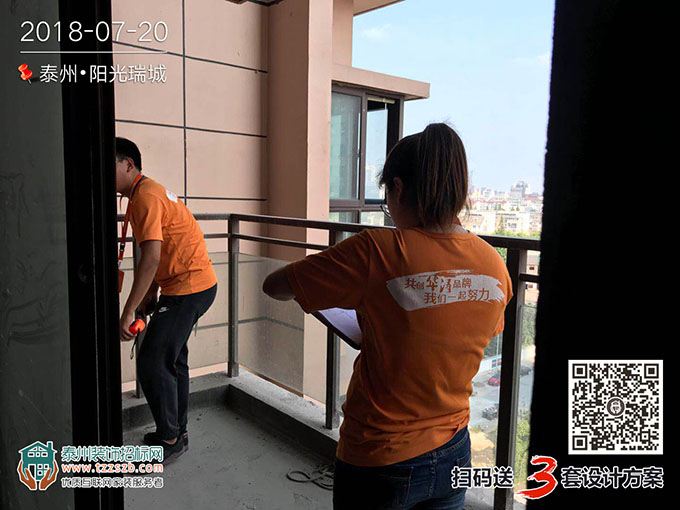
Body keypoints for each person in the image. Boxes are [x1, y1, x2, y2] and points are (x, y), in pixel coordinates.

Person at [262, 123, 512, 509]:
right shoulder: (494, 265)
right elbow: (453, 333)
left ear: (398, 188)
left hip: (380, 455)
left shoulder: (376, 250)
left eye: (386, 200)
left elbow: (276, 286)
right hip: (454, 448)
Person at [115, 137, 217, 465]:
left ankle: (170, 439)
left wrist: (128, 310)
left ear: (128, 164)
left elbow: (151, 257)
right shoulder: (147, 192)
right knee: (173, 359)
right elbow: (167, 249)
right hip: (191, 285)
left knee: (152, 361)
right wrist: (151, 293)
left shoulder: (145, 196)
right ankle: (177, 431)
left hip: (189, 289)